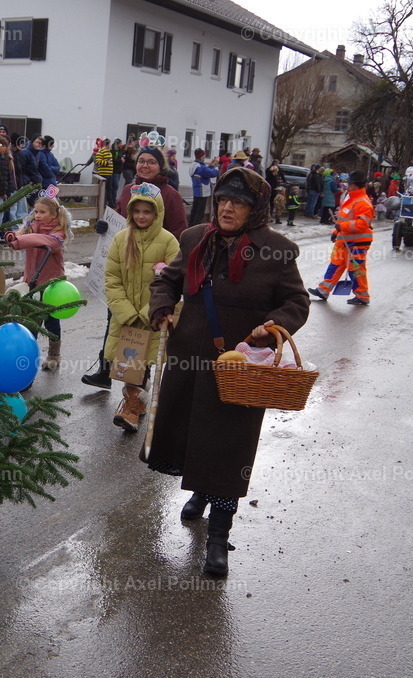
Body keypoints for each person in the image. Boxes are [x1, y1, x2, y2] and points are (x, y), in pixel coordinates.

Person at [146, 167, 309, 576]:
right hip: (189, 358)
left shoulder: (278, 250)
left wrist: (272, 328)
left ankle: (218, 538)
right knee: (192, 438)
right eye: (222, 200)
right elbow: (169, 279)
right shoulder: (194, 238)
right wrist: (162, 305)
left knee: (227, 449)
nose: (228, 209)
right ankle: (200, 493)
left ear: (255, 210)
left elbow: (297, 303)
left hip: (240, 366)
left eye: (238, 203)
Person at [83, 145, 188, 389]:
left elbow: (180, 231)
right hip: (128, 265)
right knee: (117, 319)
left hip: (154, 271)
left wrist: (164, 260)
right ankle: (106, 368)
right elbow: (122, 218)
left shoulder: (169, 194)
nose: (145, 166)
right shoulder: (129, 189)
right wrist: (104, 227)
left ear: (161, 166)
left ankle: (139, 385)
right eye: (141, 161)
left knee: (147, 333)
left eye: (151, 162)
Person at [105, 182, 179, 432]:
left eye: (147, 212)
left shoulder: (168, 242)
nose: (141, 216)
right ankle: (132, 408)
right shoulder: (120, 240)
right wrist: (125, 311)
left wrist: (152, 310)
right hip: (125, 317)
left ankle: (134, 407)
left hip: (154, 316)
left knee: (144, 364)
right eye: (136, 211)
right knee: (128, 366)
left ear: (157, 214)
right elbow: (112, 278)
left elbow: (173, 281)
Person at [5, 196, 71, 370]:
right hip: (31, 281)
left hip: (51, 285)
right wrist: (13, 236)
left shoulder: (59, 233)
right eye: (36, 211)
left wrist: (21, 241)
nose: (38, 215)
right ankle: (27, 355)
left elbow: (46, 241)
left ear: (54, 214)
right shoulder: (30, 228)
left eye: (42, 212)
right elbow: (22, 236)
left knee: (50, 320)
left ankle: (54, 354)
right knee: (30, 320)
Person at [308, 170, 374, 306]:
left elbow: (362, 224)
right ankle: (323, 290)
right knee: (335, 265)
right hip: (344, 240)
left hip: (357, 243)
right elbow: (343, 220)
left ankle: (362, 295)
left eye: (349, 184)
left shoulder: (363, 202)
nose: (347, 186)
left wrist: (340, 228)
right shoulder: (351, 198)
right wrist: (336, 232)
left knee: (356, 270)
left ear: (355, 185)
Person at [0, 134, 17, 229]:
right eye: (3, 146)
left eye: (6, 146)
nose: (5, 148)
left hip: (2, 193)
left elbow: (6, 177)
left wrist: (6, 191)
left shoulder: (5, 159)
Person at [189, 148, 219, 226]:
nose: (205, 157)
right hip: (203, 191)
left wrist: (210, 165)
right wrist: (216, 165)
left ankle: (191, 225)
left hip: (196, 191)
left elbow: (205, 172)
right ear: (201, 156)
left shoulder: (194, 165)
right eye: (204, 155)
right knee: (200, 211)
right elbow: (214, 173)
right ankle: (196, 226)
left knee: (194, 209)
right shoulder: (201, 168)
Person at [93, 138, 115, 208]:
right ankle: (103, 204)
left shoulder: (109, 152)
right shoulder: (101, 151)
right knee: (103, 190)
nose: (111, 145)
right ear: (107, 144)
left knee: (109, 190)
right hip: (103, 174)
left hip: (109, 174)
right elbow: (98, 162)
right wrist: (106, 163)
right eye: (110, 144)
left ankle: (110, 204)